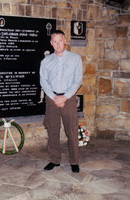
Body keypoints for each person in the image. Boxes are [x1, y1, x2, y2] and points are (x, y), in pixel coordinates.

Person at [40, 30, 83, 173]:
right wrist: (54, 97)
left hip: (68, 99)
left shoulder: (75, 59)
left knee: (71, 131)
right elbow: (43, 81)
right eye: (55, 41)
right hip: (52, 99)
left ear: (65, 41)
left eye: (60, 41)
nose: (57, 44)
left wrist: (65, 97)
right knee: (53, 130)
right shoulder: (46, 61)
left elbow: (78, 80)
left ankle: (74, 161)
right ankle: (54, 160)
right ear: (51, 43)